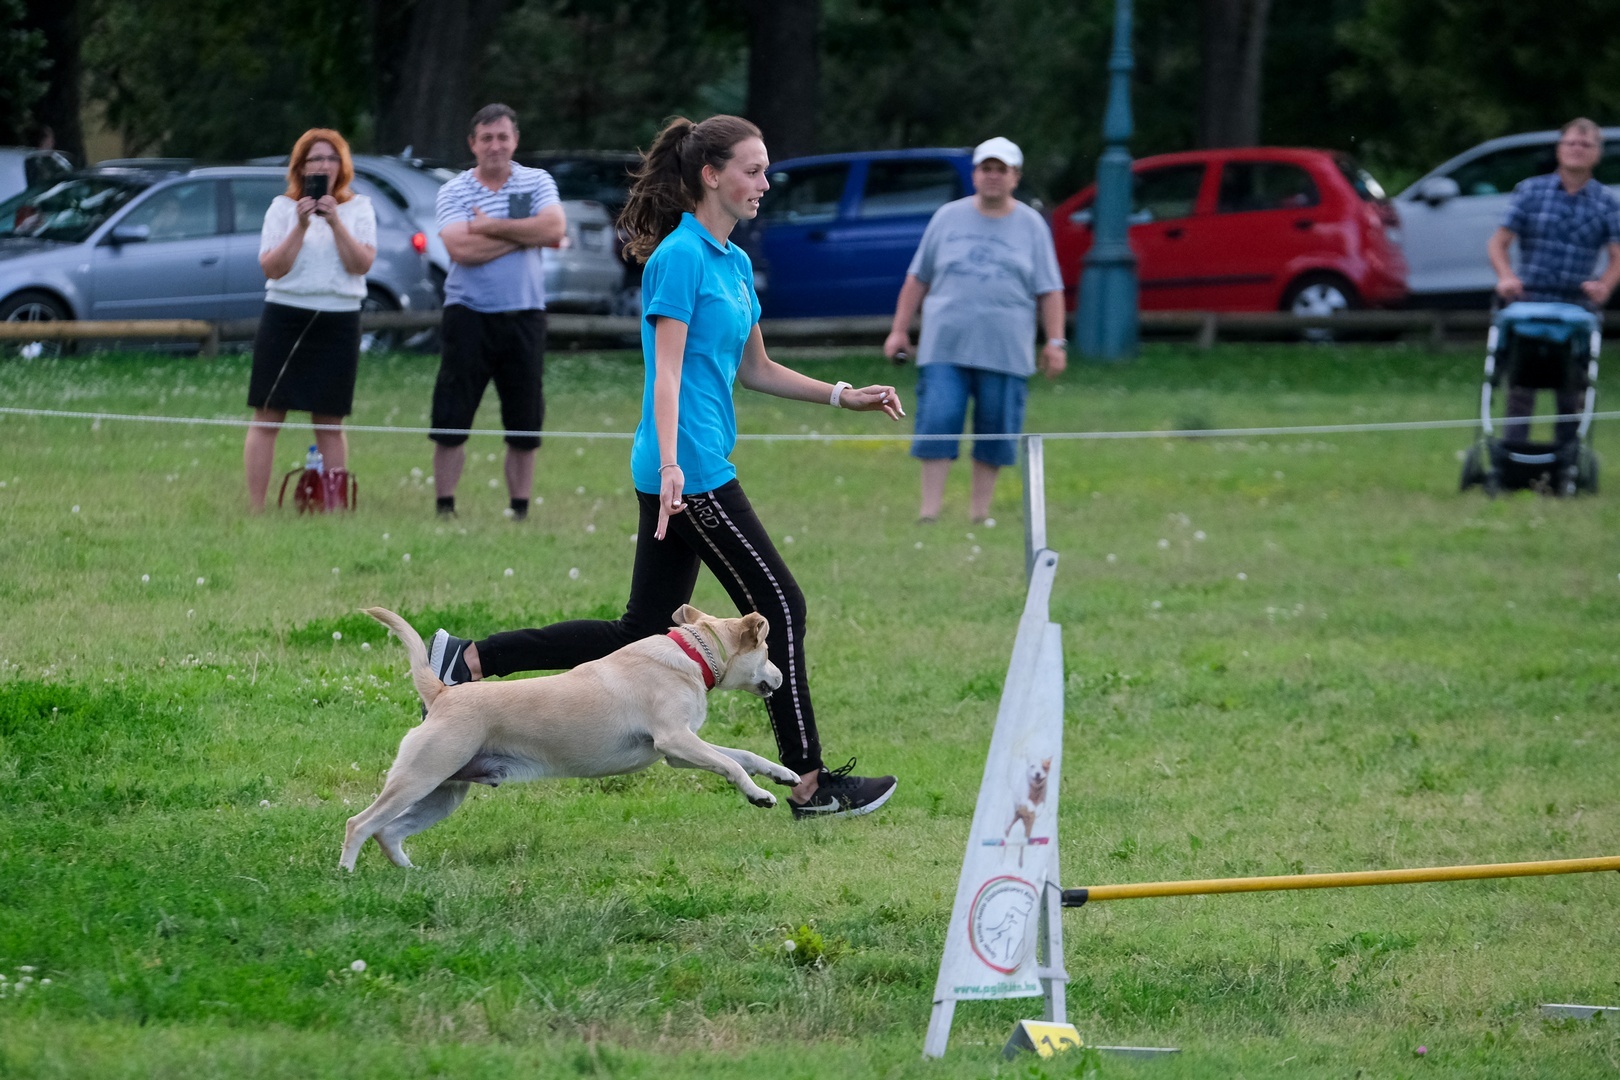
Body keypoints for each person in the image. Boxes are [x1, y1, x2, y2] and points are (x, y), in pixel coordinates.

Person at [427, 114, 905, 818]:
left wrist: (843, 394)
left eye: (765, 170)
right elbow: (667, 374)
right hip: (690, 469)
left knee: (639, 629)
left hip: (688, 465)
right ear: (712, 175)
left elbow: (757, 368)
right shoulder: (678, 258)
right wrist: (677, 464)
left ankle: (470, 659)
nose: (765, 183)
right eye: (752, 170)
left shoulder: (731, 261)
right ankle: (810, 783)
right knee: (781, 606)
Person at [883, 136, 1067, 524]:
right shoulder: (947, 217)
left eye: (1002, 169)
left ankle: (979, 513)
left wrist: (1055, 342)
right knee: (938, 420)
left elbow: (1050, 290)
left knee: (996, 430)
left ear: (1016, 177)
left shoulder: (1031, 225)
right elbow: (917, 278)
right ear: (975, 174)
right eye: (987, 168)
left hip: (1006, 349)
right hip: (944, 345)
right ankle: (929, 513)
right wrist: (899, 331)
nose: (993, 176)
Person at [430, 104, 567, 519]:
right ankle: (445, 506)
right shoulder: (454, 190)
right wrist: (525, 235)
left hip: (525, 314)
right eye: (486, 138)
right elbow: (460, 249)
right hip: (467, 314)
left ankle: (519, 508)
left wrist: (489, 226)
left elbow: (554, 228)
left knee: (525, 418)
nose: (495, 146)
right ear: (472, 144)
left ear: (515, 141)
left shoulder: (536, 181)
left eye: (503, 137)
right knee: (452, 414)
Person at [244, 128, 376, 512]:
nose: (323, 166)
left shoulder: (360, 208)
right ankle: (256, 508)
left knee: (330, 420)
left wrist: (335, 222)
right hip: (285, 316)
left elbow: (360, 264)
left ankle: (332, 505)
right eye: (315, 159)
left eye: (331, 158)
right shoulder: (281, 209)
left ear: (342, 166)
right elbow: (272, 268)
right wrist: (301, 225)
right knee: (267, 415)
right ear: (301, 167)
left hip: (338, 319)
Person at [1487, 117, 1620, 443]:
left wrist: (1604, 286)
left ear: (1597, 154)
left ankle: (1567, 457)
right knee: (1520, 387)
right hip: (1528, 301)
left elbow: (1617, 255)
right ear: (1559, 149)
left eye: (1585, 144)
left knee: (1571, 389)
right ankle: (1513, 452)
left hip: (1575, 305)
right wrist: (1506, 277)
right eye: (1571, 143)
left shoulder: (1606, 202)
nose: (1577, 149)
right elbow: (1498, 243)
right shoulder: (1531, 191)